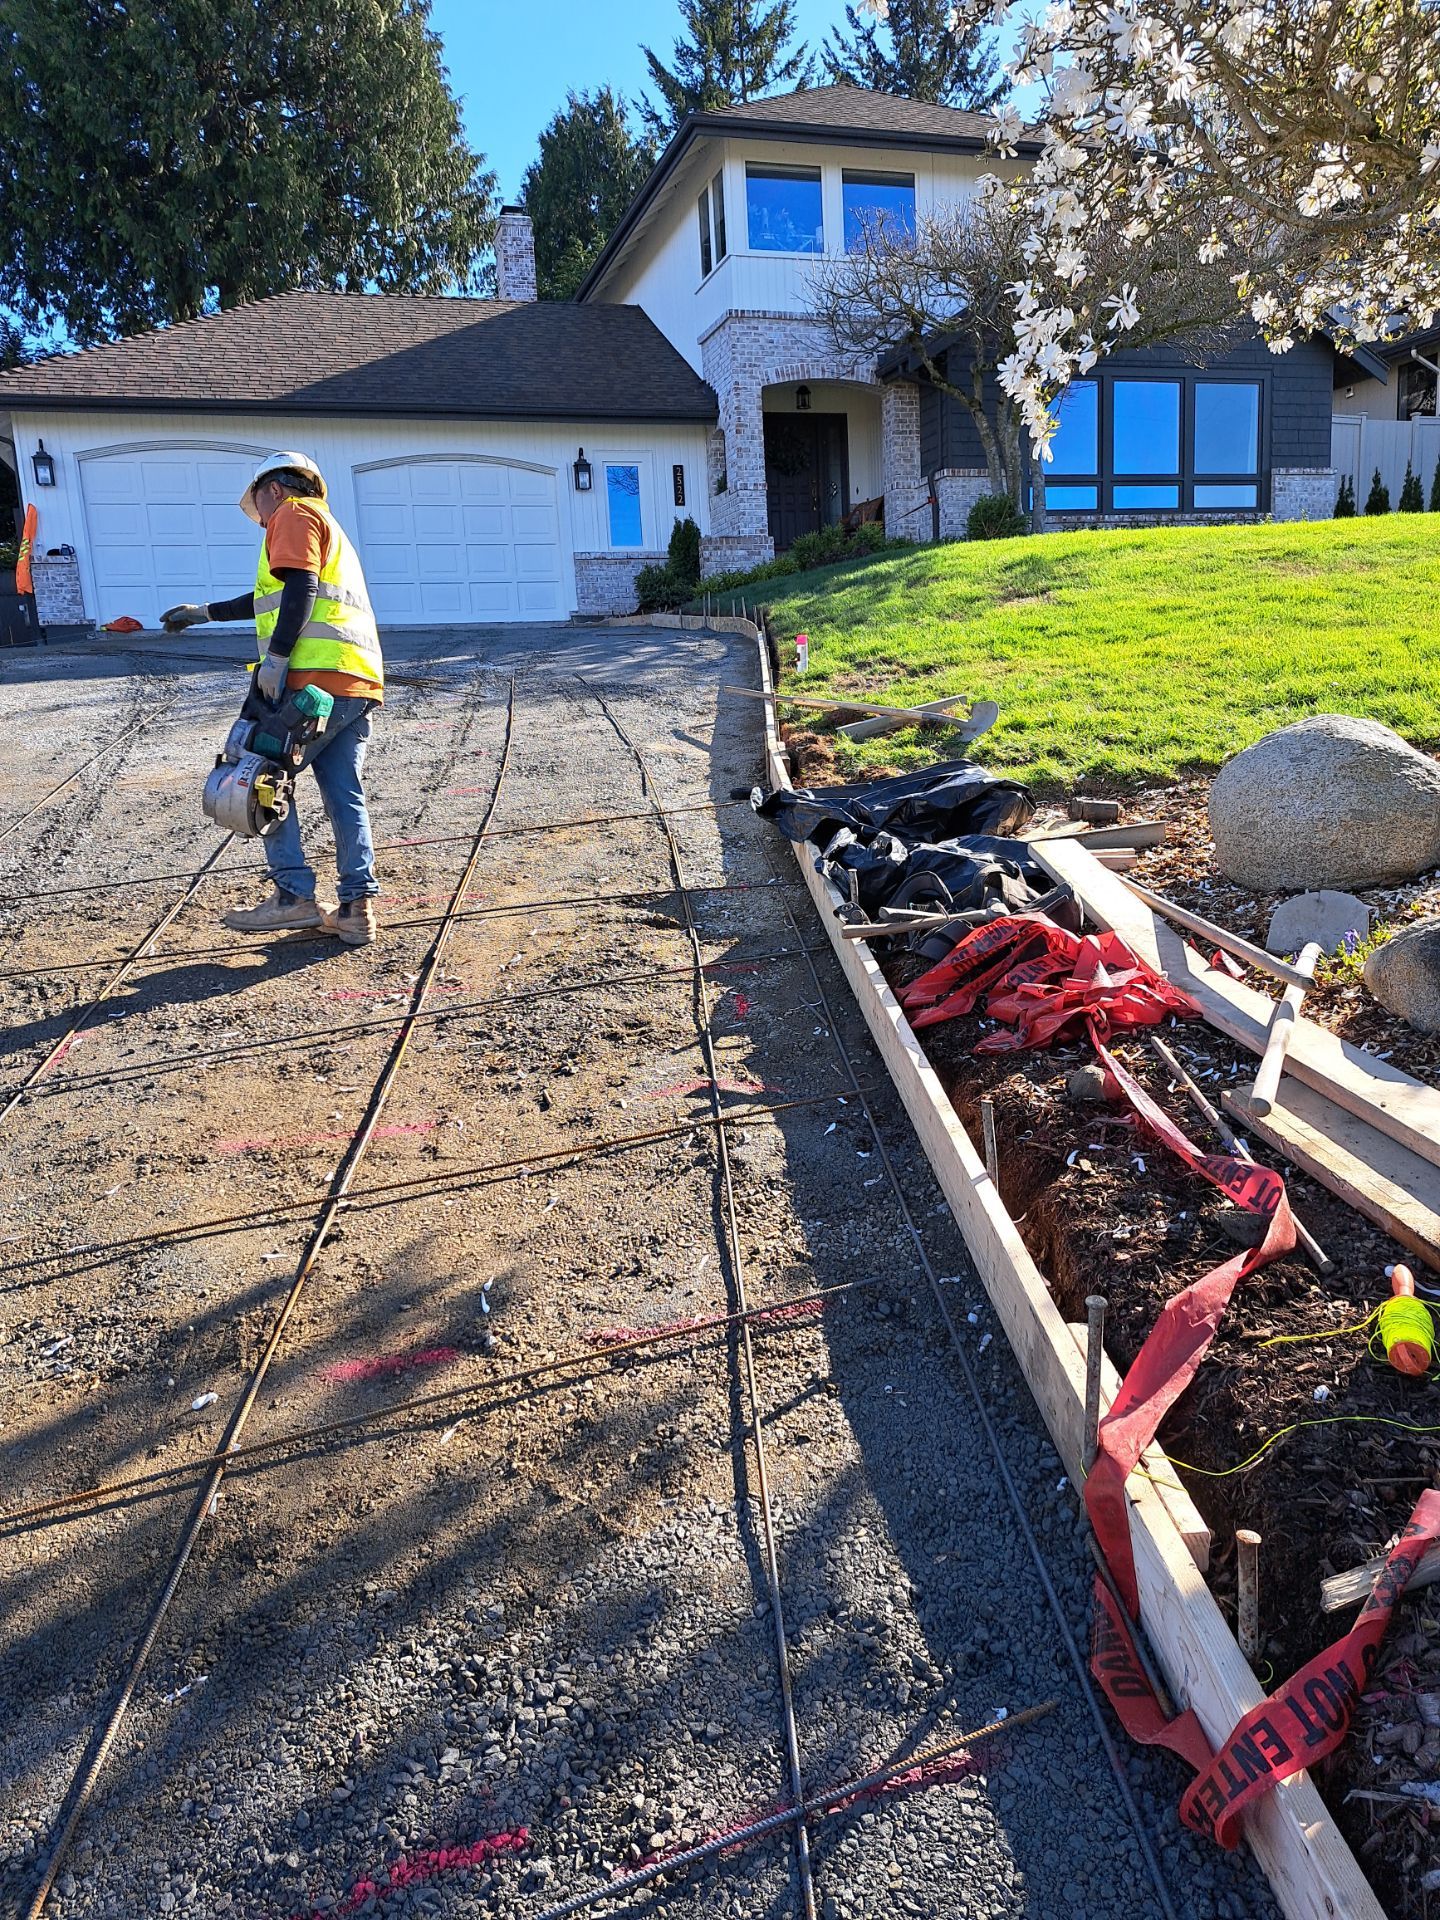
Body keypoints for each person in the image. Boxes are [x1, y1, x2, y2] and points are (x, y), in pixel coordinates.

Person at [162, 452, 383, 947]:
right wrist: (205, 613)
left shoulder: (293, 513)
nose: (259, 518)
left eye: (258, 506)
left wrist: (278, 658)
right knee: (343, 791)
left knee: (258, 778)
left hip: (308, 682)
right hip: (354, 682)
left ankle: (293, 896)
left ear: (275, 490)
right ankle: (356, 908)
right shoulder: (327, 525)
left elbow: (301, 587)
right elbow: (274, 596)